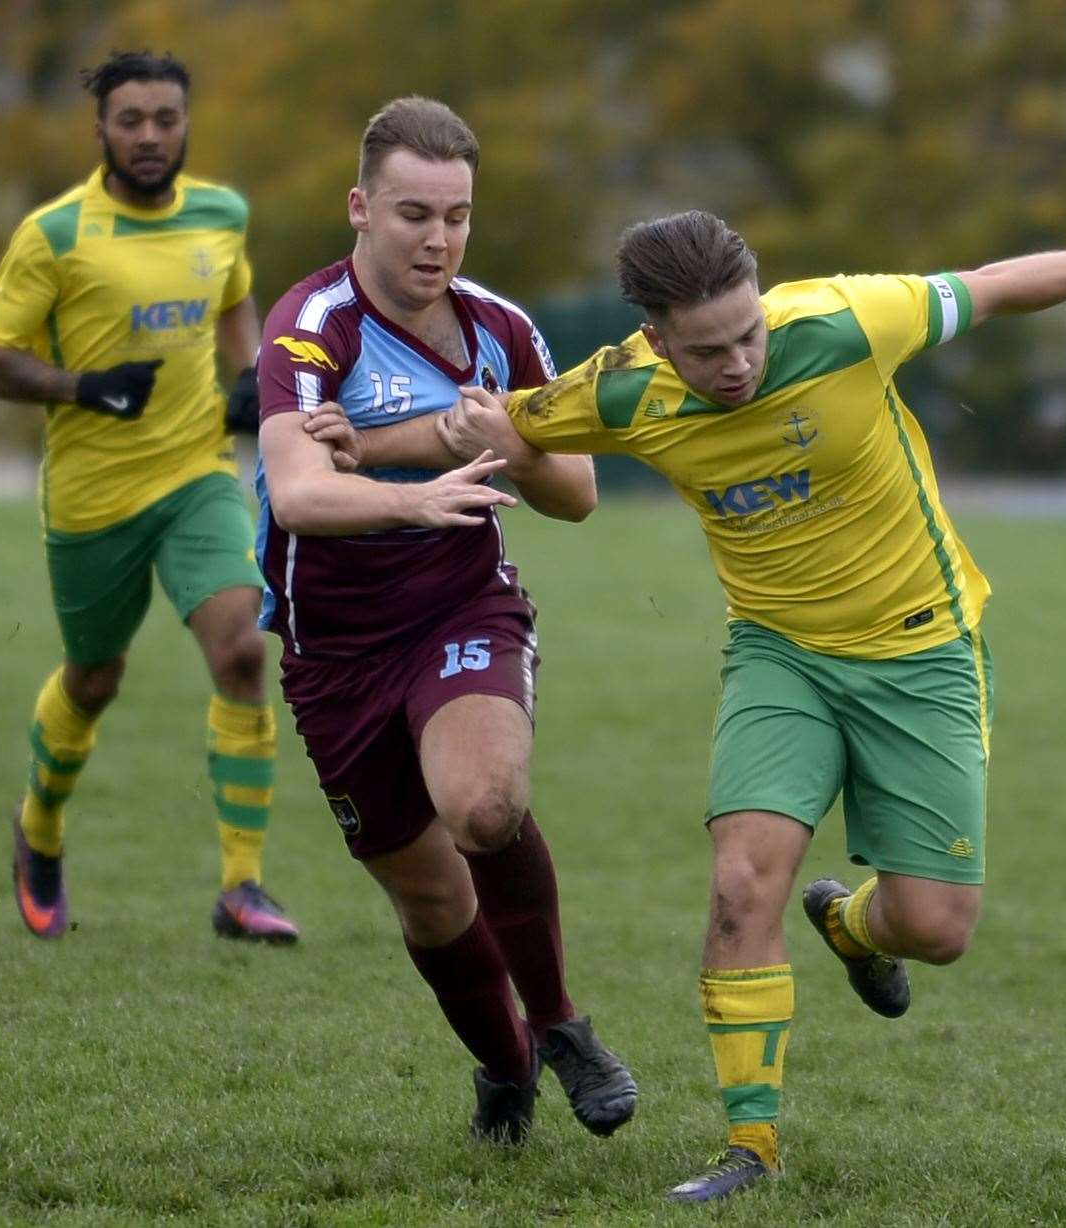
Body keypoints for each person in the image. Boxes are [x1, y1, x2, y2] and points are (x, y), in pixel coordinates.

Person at [308, 206, 1066, 1198]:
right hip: (780, 660)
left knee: (934, 926)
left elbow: (990, 285)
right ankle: (749, 1151)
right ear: (653, 340)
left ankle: (852, 926)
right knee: (739, 883)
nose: (735, 365)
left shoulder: (847, 320)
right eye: (705, 351)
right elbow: (504, 420)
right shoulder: (627, 390)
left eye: (747, 336)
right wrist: (367, 442)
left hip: (921, 652)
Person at [255, 96, 637, 1145]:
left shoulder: (503, 329)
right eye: (413, 213)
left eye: (456, 215)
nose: (437, 238)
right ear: (360, 208)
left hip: (461, 606)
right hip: (331, 651)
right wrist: (410, 490)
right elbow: (294, 493)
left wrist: (505, 445)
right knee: (429, 901)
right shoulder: (307, 327)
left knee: (483, 806)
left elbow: (577, 493)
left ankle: (561, 1024)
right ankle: (506, 1067)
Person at [0, 50, 297, 944]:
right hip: (92, 496)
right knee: (95, 678)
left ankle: (243, 887)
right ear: (101, 130)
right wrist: (84, 388)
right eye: (130, 121)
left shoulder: (221, 213)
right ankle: (38, 830)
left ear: (186, 124)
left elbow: (237, 300)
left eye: (165, 119)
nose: (150, 135)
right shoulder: (56, 234)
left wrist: (248, 375)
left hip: (196, 476)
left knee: (240, 654)